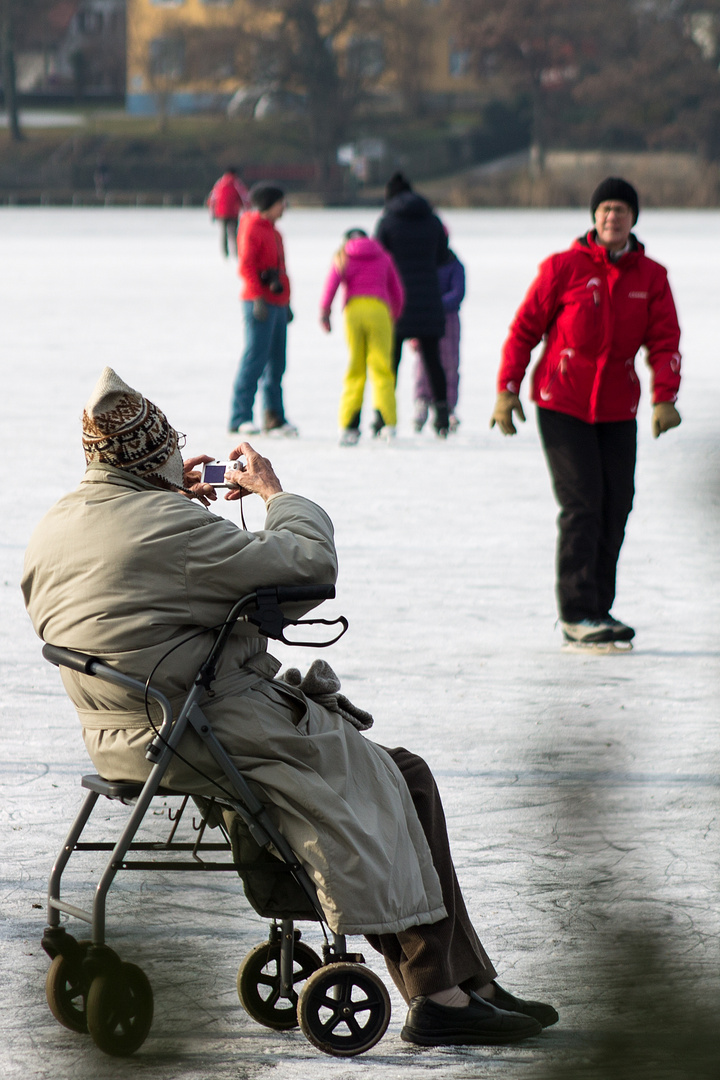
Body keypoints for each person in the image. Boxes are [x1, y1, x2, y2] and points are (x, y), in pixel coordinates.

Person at [23, 368, 558, 1048]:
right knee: (400, 777)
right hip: (203, 726)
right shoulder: (168, 527)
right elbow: (306, 569)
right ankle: (444, 996)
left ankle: (468, 982)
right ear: (157, 453)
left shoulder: (60, 524)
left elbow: (151, 592)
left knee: (399, 773)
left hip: (127, 731)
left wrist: (176, 507)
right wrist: (275, 493)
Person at [490, 178, 682, 648]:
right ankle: (577, 612)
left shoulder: (651, 276)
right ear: (594, 217)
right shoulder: (565, 267)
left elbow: (664, 340)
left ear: (633, 218)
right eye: (604, 209)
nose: (612, 217)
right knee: (583, 505)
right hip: (564, 402)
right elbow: (524, 330)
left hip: (618, 405)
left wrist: (664, 397)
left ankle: (599, 608)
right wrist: (506, 390)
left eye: (620, 209)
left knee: (617, 504)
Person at [375, 173, 450, 438]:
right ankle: (442, 416)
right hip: (429, 298)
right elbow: (443, 256)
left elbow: (378, 258)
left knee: (390, 361)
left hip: (397, 301)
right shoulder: (433, 221)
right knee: (433, 360)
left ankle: (382, 417)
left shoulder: (387, 222)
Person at [319, 227, 405, 445]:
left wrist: (325, 312)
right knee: (382, 367)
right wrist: (393, 315)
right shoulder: (384, 256)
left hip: (354, 311)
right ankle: (388, 424)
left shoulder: (343, 256)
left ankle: (348, 425)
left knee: (356, 368)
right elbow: (397, 291)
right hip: (379, 310)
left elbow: (331, 286)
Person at [229, 183, 297, 438]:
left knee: (277, 363)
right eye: (281, 203)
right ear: (270, 203)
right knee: (255, 359)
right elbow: (246, 266)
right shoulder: (251, 227)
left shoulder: (275, 232)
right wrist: (258, 297)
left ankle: (274, 417)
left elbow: (281, 269)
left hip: (277, 303)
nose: (284, 208)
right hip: (259, 302)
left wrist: (287, 302)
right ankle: (240, 416)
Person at [412, 240, 466, 434]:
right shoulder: (423, 264)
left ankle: (448, 406)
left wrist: (435, 304)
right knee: (423, 362)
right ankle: (422, 401)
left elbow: (458, 292)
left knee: (449, 363)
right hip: (425, 317)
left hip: (448, 318)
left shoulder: (454, 264)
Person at [206, 165, 250, 259]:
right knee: (234, 234)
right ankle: (236, 253)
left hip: (220, 213)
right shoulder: (237, 183)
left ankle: (225, 253)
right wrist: (247, 211)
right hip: (233, 212)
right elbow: (244, 197)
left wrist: (212, 214)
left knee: (223, 233)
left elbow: (213, 198)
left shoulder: (219, 183)